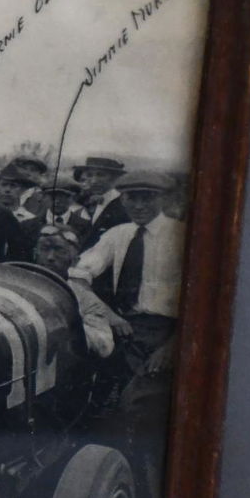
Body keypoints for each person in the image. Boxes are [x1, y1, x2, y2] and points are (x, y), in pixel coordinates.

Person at [69, 172, 182, 419]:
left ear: (163, 199)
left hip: (166, 335)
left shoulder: (181, 236)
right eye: (132, 198)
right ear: (122, 200)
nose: (139, 206)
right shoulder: (118, 234)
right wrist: (109, 315)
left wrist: (173, 346)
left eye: (147, 198)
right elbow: (77, 277)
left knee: (135, 404)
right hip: (124, 331)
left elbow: (200, 302)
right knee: (88, 399)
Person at [33, 225, 123, 359]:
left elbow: (104, 345)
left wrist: (70, 325)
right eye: (45, 249)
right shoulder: (18, 286)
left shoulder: (85, 298)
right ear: (35, 253)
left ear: (75, 261)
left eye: (59, 250)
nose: (51, 257)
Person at [73, 154, 130, 249]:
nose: (94, 181)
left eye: (100, 175)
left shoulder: (123, 206)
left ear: (114, 178)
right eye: (89, 175)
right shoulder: (90, 202)